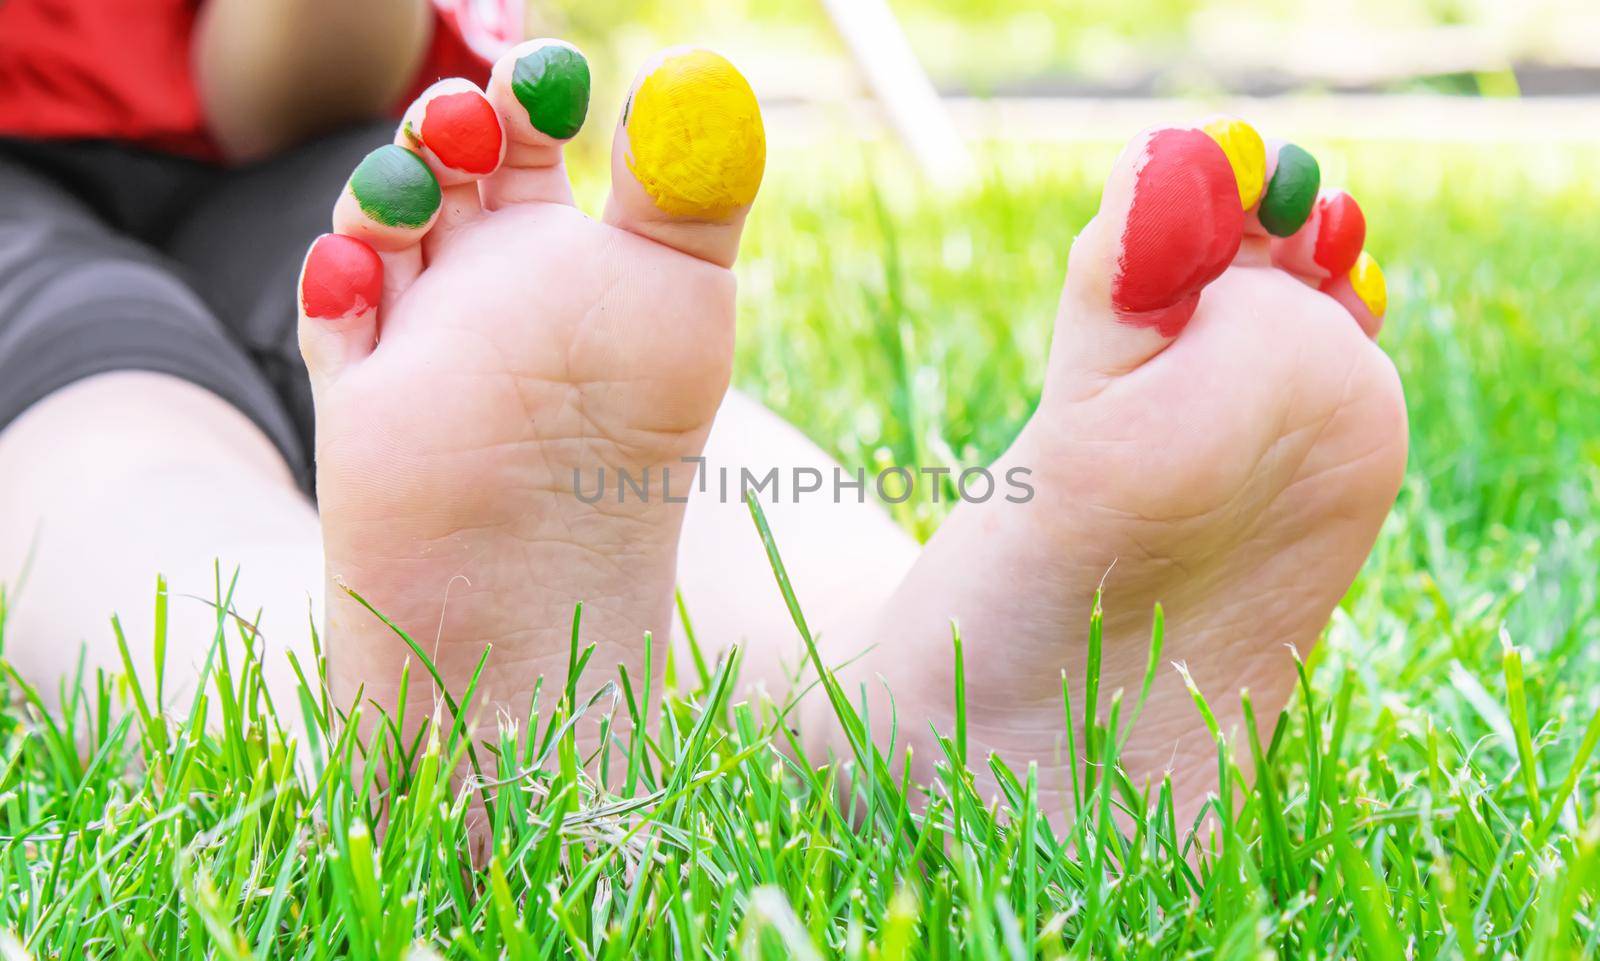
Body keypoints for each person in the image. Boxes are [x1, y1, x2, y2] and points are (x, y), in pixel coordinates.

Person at [0, 1, 1406, 821]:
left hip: (337, 145)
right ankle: (351, 708)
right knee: (106, 398)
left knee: (531, 352)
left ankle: (918, 685)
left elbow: (270, 91)